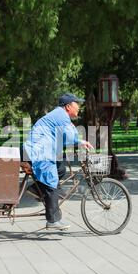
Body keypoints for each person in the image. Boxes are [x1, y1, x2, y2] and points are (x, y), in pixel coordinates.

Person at [23, 93, 94, 230]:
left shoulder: (60, 115)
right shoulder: (61, 116)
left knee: (61, 169)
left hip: (40, 149)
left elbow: (63, 136)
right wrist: (80, 141)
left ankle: (36, 189)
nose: (79, 107)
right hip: (39, 152)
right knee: (52, 180)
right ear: (68, 106)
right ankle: (52, 220)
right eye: (76, 104)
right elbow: (69, 137)